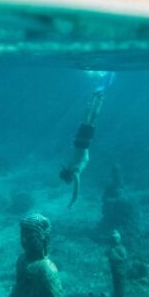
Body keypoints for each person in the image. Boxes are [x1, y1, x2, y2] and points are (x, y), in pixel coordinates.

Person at [60, 74, 113, 207]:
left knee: (91, 118)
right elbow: (72, 154)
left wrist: (72, 202)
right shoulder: (70, 166)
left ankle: (97, 97)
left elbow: (76, 189)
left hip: (84, 143)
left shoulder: (75, 172)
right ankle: (96, 98)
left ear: (69, 177)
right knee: (87, 119)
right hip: (78, 142)